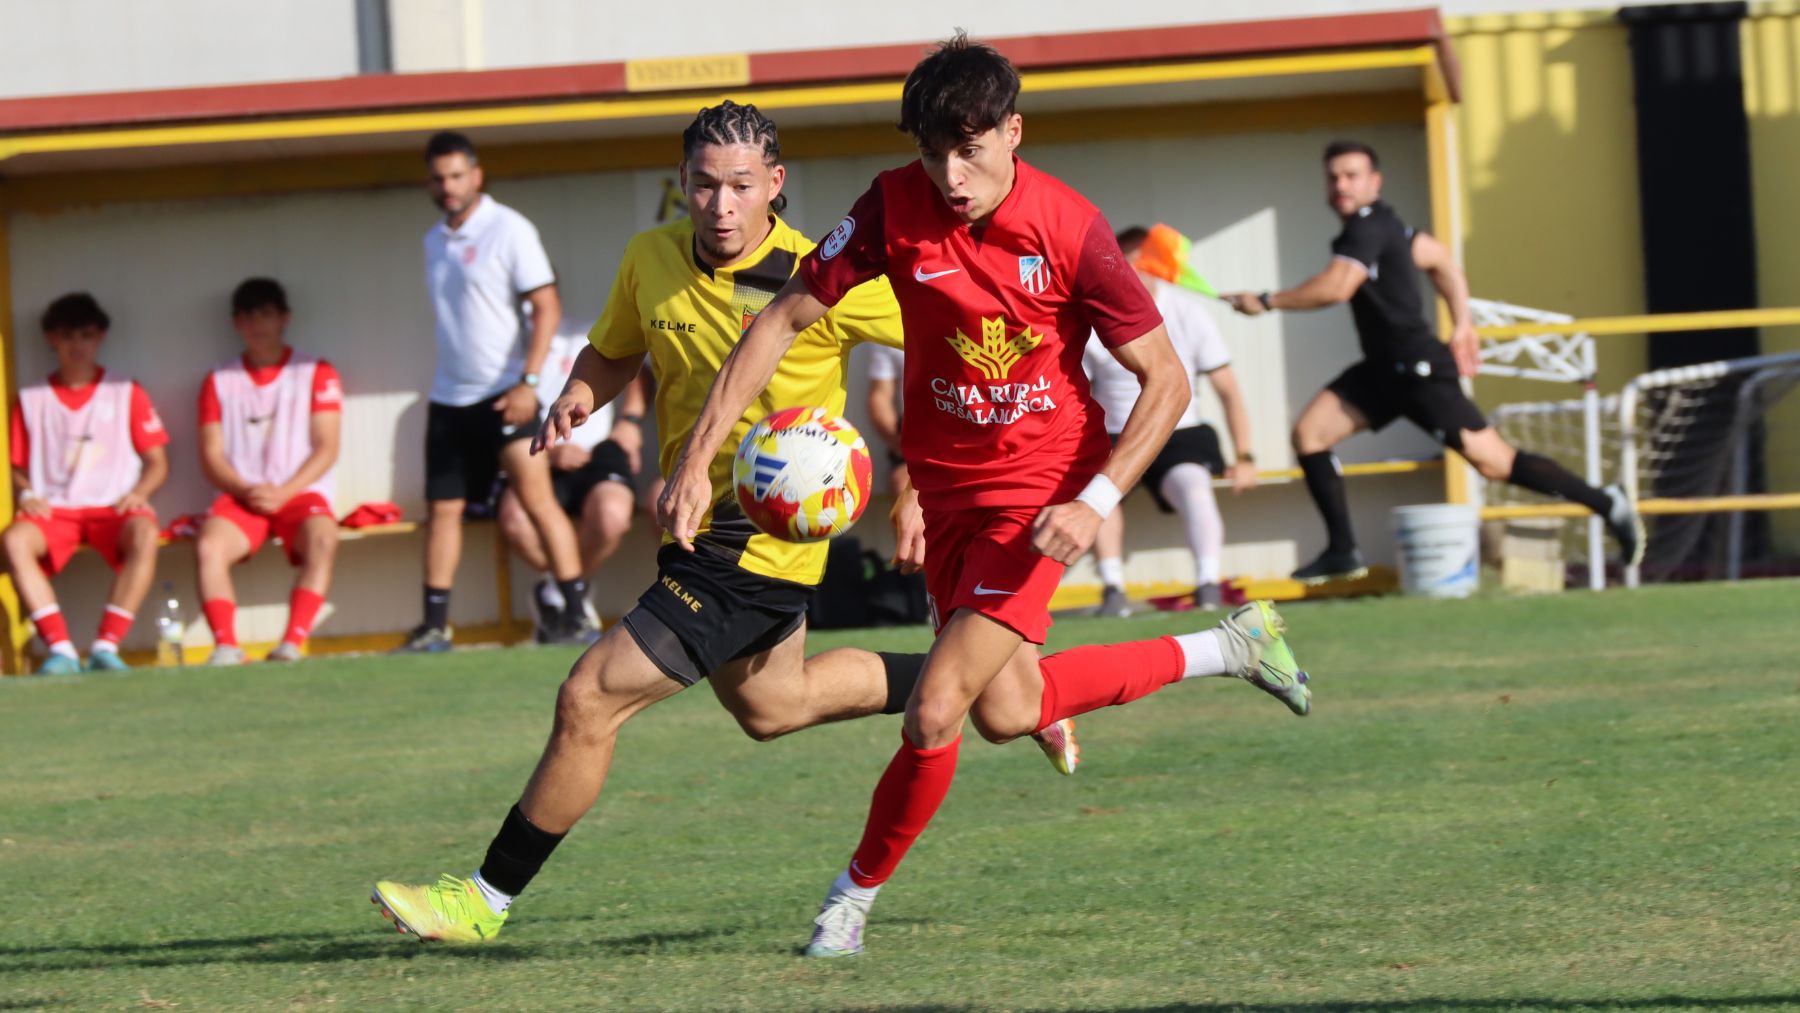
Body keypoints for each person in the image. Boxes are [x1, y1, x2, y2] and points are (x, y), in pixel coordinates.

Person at [660, 35, 1312, 958]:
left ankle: (847, 905)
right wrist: (695, 458)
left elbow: (1166, 381)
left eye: (969, 150)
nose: (951, 175)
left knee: (937, 708)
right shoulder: (892, 206)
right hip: (948, 494)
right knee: (1009, 712)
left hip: (1038, 501)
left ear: (1014, 131)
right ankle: (1234, 644)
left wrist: (1094, 497)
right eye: (934, 153)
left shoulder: (1073, 228)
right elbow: (781, 317)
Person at [369, 101, 1076, 945]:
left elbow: (954, 339)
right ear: (683, 187)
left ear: (773, 186)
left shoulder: (826, 274)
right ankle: (981, 674)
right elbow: (616, 347)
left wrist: (917, 478)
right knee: (775, 704)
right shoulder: (649, 259)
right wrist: (580, 393)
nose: (722, 204)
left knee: (589, 696)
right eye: (705, 185)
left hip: (767, 530)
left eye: (741, 185)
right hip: (697, 526)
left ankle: (481, 899)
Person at [1222, 140, 1643, 583]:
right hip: (1383, 371)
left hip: (1419, 370)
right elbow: (1440, 258)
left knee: (1494, 462)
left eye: (1352, 175)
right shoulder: (1390, 229)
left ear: (1374, 182)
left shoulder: (1365, 229)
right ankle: (1343, 550)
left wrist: (1267, 301)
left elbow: (1336, 287)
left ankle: (1606, 501)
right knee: (1309, 435)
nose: (1341, 185)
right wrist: (1463, 322)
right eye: (1334, 177)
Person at [397, 130, 593, 652]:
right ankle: (435, 627)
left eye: (457, 175)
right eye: (438, 178)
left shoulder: (509, 229)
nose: (448, 186)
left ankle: (578, 614)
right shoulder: (432, 240)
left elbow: (547, 306)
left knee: (537, 500)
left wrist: (530, 383)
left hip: (507, 393)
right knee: (441, 510)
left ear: (476, 176)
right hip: (449, 398)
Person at [1083, 225, 1258, 615]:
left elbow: (1228, 389)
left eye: (1140, 262)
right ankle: (1113, 592)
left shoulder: (1188, 313)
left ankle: (1208, 585)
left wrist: (1245, 456)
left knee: (1195, 488)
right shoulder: (1095, 316)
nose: (1131, 272)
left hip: (1178, 431)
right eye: (1122, 263)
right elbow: (1077, 391)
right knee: (1100, 498)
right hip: (1113, 433)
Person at [3, 293, 169, 673]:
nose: (77, 345)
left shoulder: (126, 390)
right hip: (56, 510)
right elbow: (16, 465)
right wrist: (26, 493)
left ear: (100, 337)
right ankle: (60, 650)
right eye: (67, 336)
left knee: (145, 532)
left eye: (86, 335)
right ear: (51, 339)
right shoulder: (31, 398)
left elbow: (157, 462)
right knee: (14, 541)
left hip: (112, 509)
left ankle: (106, 647)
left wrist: (139, 493)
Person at [193, 278, 343, 665]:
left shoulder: (316, 371)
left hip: (300, 492)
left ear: (284, 319)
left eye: (266, 314)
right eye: (248, 316)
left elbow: (327, 446)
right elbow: (211, 456)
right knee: (209, 546)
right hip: (242, 496)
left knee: (324, 540)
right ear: (236, 323)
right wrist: (246, 489)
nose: (257, 324)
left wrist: (286, 490)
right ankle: (226, 646)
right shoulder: (218, 380)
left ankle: (291, 644)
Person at [499, 317, 650, 640]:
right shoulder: (503, 347)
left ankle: (560, 594)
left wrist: (631, 422)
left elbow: (638, 371)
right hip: (539, 452)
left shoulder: (589, 330)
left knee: (612, 513)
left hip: (598, 452)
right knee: (513, 517)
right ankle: (574, 596)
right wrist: (552, 452)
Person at [863, 343, 909, 495]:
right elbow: (880, 397)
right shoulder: (887, 325)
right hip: (914, 449)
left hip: (974, 446)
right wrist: (906, 448)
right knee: (903, 485)